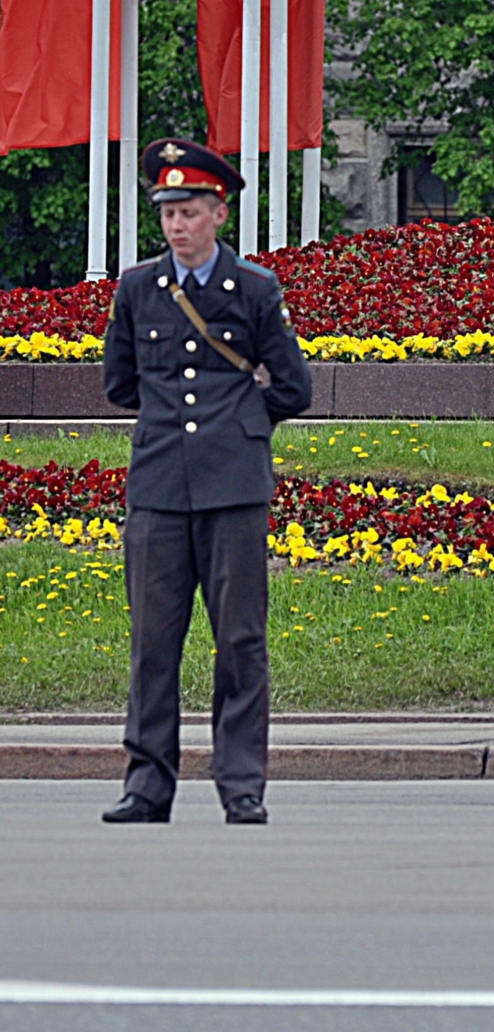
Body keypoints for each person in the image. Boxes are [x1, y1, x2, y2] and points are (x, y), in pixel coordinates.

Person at [100, 139, 313, 825]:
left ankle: (241, 784)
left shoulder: (253, 290)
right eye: (168, 214)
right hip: (160, 485)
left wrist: (237, 417)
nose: (177, 226)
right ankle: (147, 784)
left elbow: (294, 387)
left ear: (219, 214)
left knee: (241, 642)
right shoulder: (137, 289)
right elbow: (120, 383)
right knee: (153, 643)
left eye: (190, 212)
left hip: (234, 486)